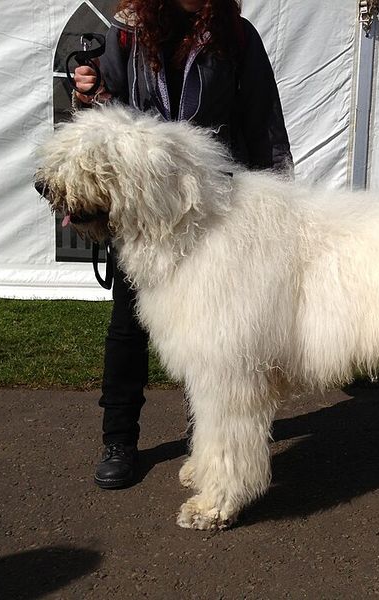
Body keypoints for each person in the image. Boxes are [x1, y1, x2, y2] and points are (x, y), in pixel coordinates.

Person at [72, 0, 293, 489]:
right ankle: (120, 439)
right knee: (129, 326)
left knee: (215, 336)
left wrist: (281, 206)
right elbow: (110, 117)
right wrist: (89, 91)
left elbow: (263, 121)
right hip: (143, 211)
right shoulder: (126, 33)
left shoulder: (236, 36)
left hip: (214, 214)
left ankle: (209, 439)